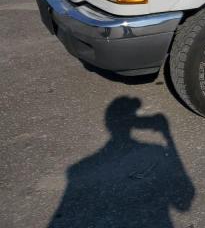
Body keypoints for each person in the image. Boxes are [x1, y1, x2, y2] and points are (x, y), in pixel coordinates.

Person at [48, 97, 195, 228]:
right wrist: (167, 135)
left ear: (108, 123)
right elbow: (183, 202)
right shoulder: (156, 152)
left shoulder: (77, 170)